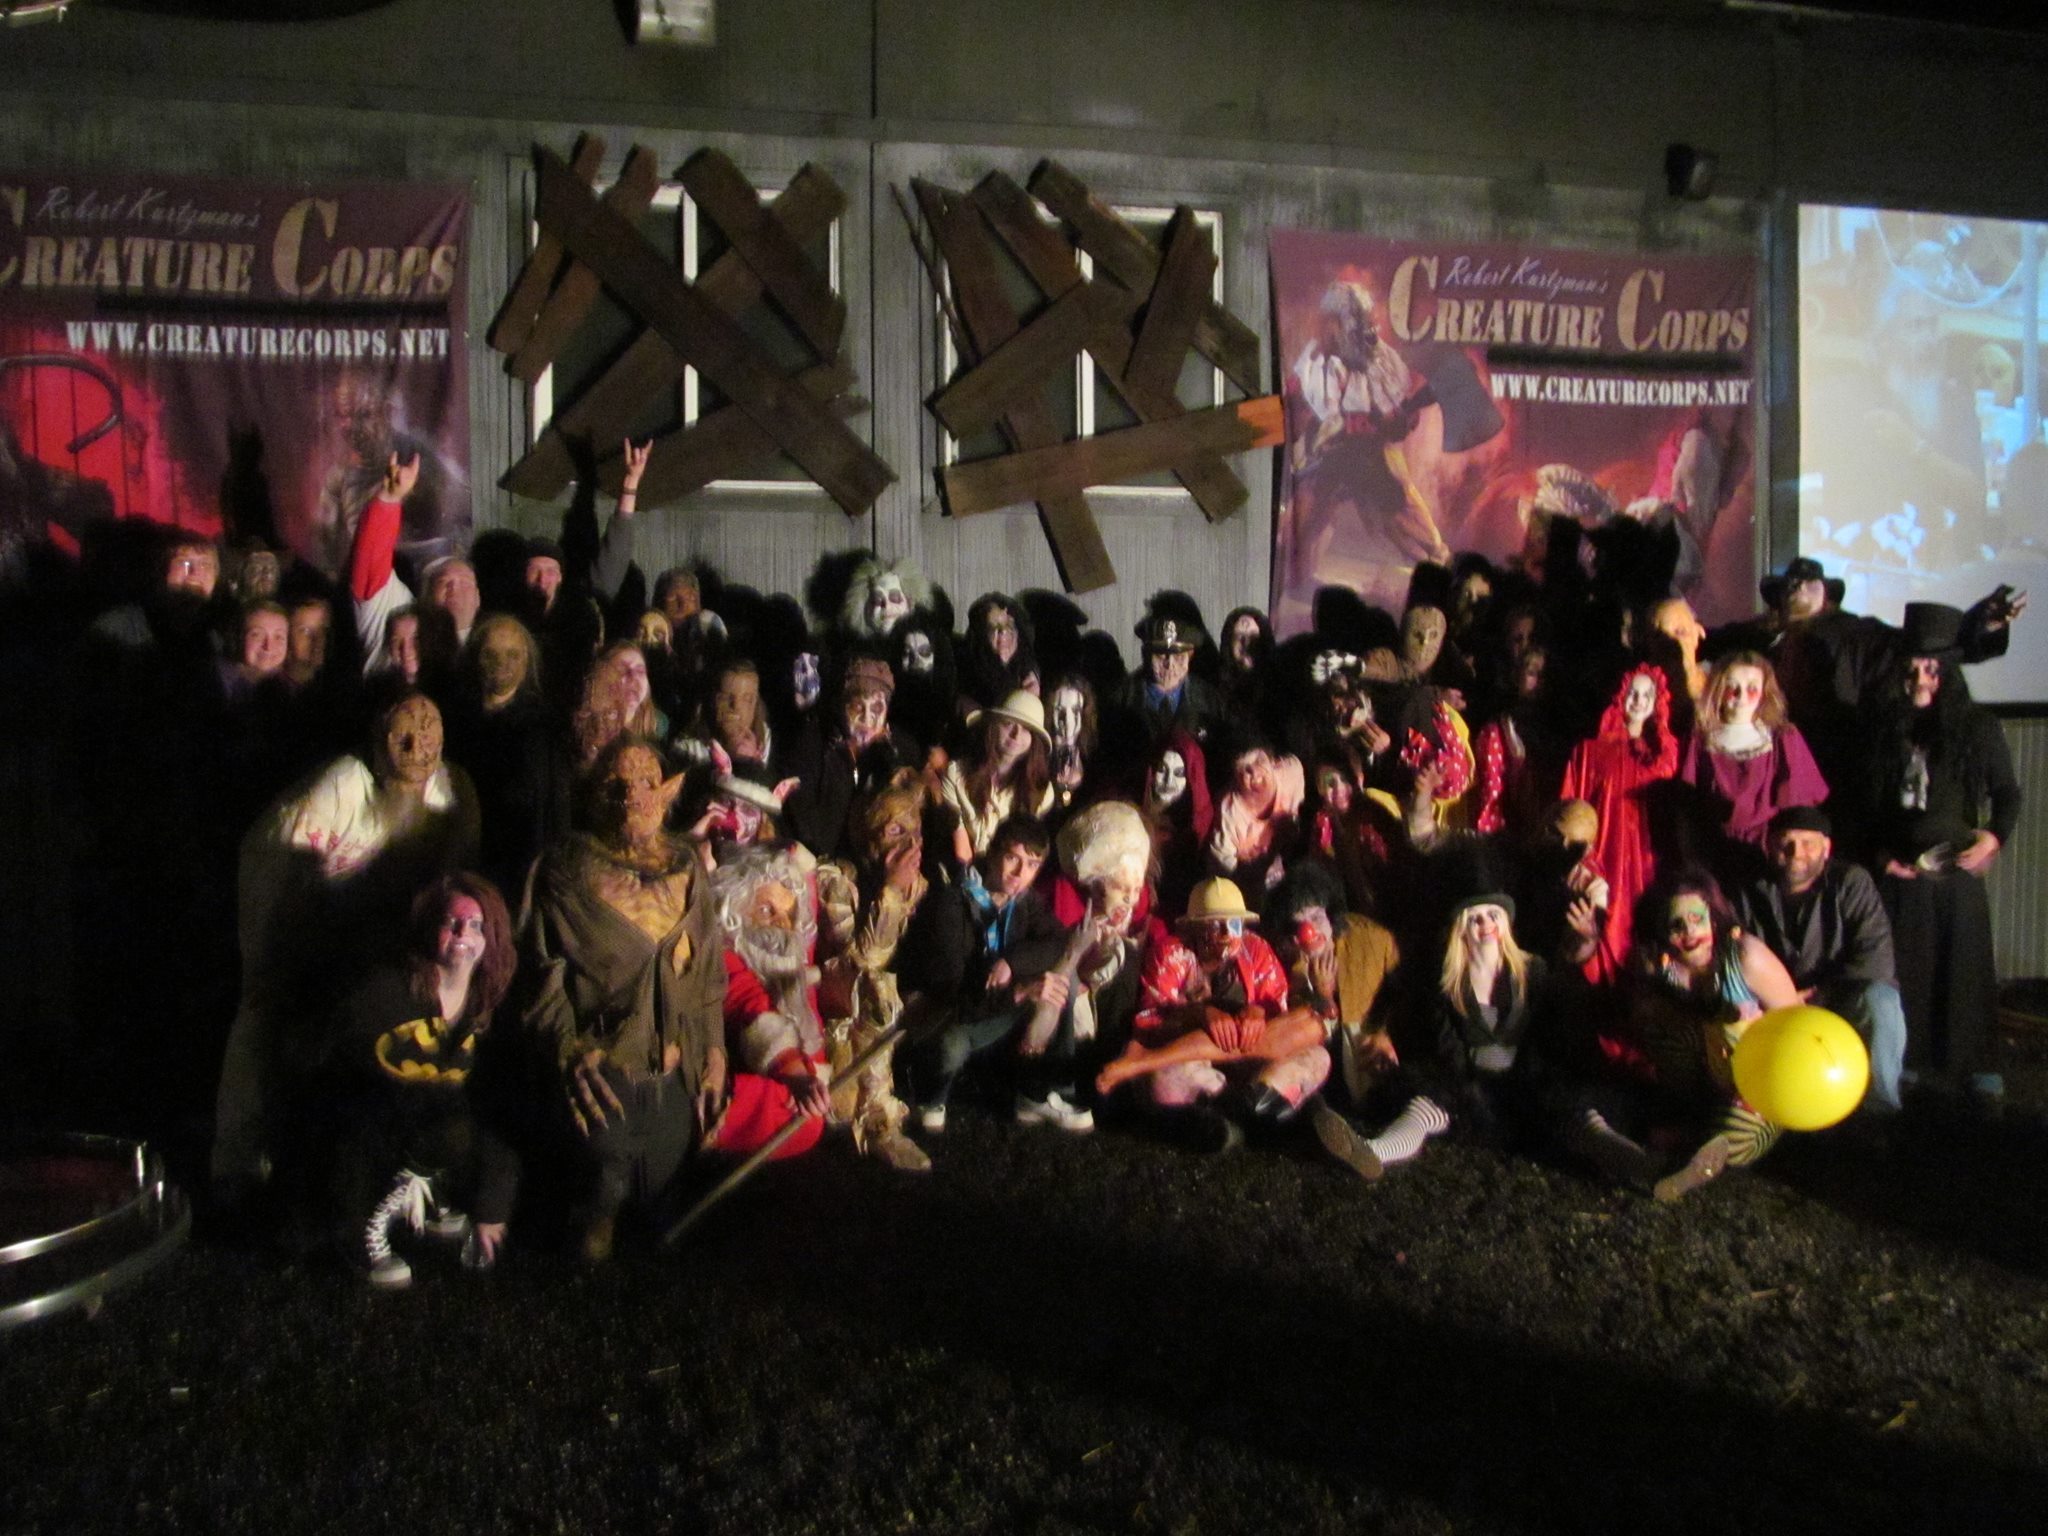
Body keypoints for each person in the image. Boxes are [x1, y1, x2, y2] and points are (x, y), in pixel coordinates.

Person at [212, 687, 480, 1199]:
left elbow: (460, 874)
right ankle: (237, 1161)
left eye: (430, 731)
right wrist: (278, 954)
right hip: (298, 901)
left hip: (381, 922)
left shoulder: (454, 792)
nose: (417, 744)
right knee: (263, 1012)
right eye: (404, 732)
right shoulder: (341, 785)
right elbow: (283, 869)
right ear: (380, 741)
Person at [517, 738, 727, 1261]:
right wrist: (566, 1047)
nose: (631, 795)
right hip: (606, 1063)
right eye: (616, 785)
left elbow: (707, 976)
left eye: (645, 783)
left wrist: (715, 1055)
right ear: (592, 796)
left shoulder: (687, 868)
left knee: (664, 1190)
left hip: (675, 1067)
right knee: (604, 1177)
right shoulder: (567, 871)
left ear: (668, 792)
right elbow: (544, 976)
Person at [313, 873, 517, 1288]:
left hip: (429, 1131)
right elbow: (320, 1064)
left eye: (476, 925)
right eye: (452, 923)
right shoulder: (383, 992)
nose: (463, 935)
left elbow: (500, 1110)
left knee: (456, 1126)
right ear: (430, 929)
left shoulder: (486, 1004)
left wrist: (491, 1204)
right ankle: (358, 1232)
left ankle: (429, 1193)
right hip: (365, 1128)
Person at [1863, 603, 2022, 1105]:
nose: (1921, 676)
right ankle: (1909, 1061)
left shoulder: (1976, 726)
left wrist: (1992, 838)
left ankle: (1977, 1066)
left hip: (1956, 865)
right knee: (1908, 965)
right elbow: (1864, 804)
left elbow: (2008, 794)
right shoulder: (1883, 729)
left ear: (1948, 671)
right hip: (1901, 870)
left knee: (1966, 966)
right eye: (1912, 667)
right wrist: (1880, 854)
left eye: (1932, 667)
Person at [1095, 877, 1333, 1152]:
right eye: (1214, 924)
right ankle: (1267, 1119)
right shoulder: (1171, 953)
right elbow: (1151, 1020)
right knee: (1165, 1082)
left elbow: (1279, 1024)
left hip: (1250, 1065)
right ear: (1195, 927)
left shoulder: (1256, 950)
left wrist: (1257, 1013)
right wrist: (1200, 1014)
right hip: (1199, 1065)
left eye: (1233, 924)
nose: (1225, 933)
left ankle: (1243, 1113)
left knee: (1317, 1053)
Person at [905, 815, 1089, 1132]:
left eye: (1031, 865)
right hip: (951, 1017)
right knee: (951, 1048)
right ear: (992, 853)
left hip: (994, 1009)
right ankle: (930, 1094)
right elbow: (953, 997)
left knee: (1063, 980)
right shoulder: (953, 903)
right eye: (1012, 859)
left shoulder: (1022, 901)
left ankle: (1042, 1092)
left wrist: (1011, 963)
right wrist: (1020, 992)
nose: (1020, 874)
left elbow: (1057, 941)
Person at [1631, 871, 1802, 1201]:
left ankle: (1707, 1156)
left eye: (1697, 919)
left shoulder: (1746, 958)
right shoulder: (1661, 967)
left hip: (1759, 1087)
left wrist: (1760, 1090)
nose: (1689, 933)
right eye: (1676, 925)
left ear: (1714, 917)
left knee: (1736, 1132)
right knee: (1666, 1025)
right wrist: (1656, 993)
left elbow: (1796, 1028)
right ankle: (1690, 1127)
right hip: (1703, 1083)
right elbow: (1646, 1027)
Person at [1737, 807, 1905, 1115]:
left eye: (1807, 843)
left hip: (1841, 995)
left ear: (1827, 848)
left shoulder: (1850, 882)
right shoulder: (1750, 890)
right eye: (1785, 843)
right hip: (1777, 1006)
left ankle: (1882, 1108)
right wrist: (1779, 997)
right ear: (1769, 846)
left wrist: (1818, 995)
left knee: (1880, 999)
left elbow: (1876, 961)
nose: (1795, 852)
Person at [1559, 664, 1680, 982]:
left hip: (1651, 864)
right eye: (1633, 693)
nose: (1639, 701)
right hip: (1606, 861)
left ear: (1658, 702)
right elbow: (1571, 810)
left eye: (1647, 695)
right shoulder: (1590, 752)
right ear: (1620, 696)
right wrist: (1584, 862)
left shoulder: (1666, 755)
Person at [1677, 651, 1827, 879]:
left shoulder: (1782, 738)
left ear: (1765, 692)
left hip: (1768, 855)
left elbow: (1799, 808)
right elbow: (1688, 805)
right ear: (1717, 688)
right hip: (1714, 856)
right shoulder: (1700, 740)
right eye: (1732, 686)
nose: (1741, 695)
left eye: (1752, 687)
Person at [939, 689, 1055, 868]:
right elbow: (960, 842)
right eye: (1009, 724)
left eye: (1026, 730)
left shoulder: (1042, 791)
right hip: (960, 869)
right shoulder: (956, 774)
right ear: (993, 726)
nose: (1016, 735)